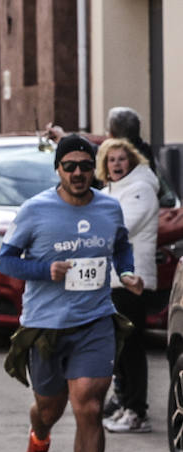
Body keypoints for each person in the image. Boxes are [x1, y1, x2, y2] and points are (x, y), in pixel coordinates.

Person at [0, 135, 144, 452]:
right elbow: (6, 261)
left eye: (84, 166)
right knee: (50, 407)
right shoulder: (36, 211)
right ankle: (40, 436)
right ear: (58, 170)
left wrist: (127, 273)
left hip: (95, 320)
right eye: (70, 166)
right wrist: (46, 270)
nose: (78, 173)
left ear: (92, 169)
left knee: (89, 405)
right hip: (46, 327)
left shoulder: (109, 209)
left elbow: (121, 247)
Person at [97, 138, 159, 434]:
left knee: (131, 347)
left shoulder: (141, 190)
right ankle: (125, 404)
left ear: (131, 161)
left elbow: (120, 230)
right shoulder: (110, 191)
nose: (117, 164)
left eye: (122, 159)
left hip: (133, 281)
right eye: (111, 160)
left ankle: (138, 412)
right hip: (112, 280)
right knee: (118, 348)